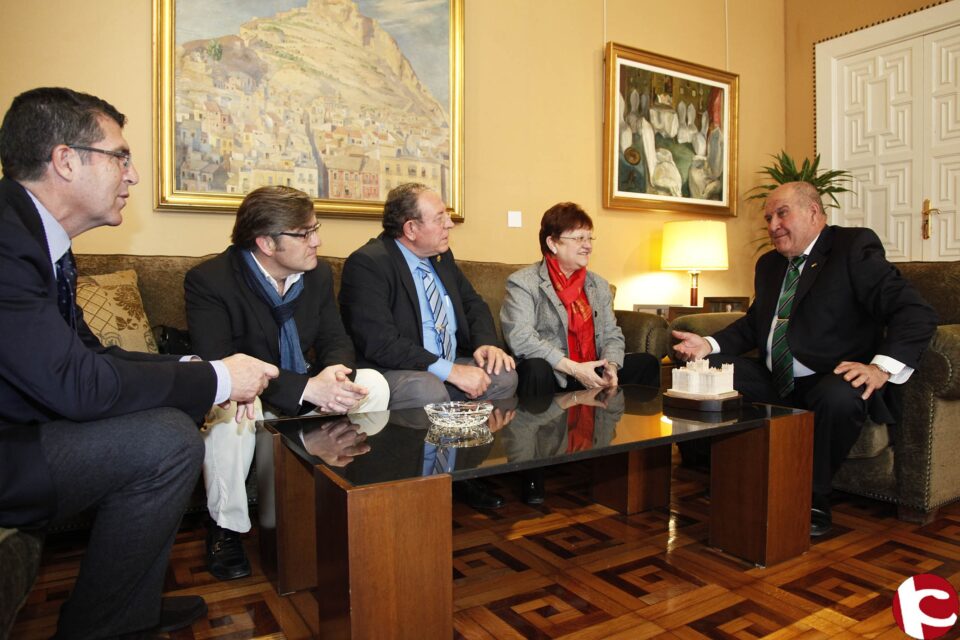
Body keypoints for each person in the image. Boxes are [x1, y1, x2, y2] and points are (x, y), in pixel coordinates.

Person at [0, 87, 278, 638]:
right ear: (66, 160)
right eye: (121, 156)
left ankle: (123, 611)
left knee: (166, 429)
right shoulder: (8, 241)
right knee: (165, 440)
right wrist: (219, 377)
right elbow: (75, 384)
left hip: (21, 429)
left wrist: (197, 366)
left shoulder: (38, 240)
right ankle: (105, 625)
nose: (131, 175)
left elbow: (89, 355)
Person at [672, 181, 938, 536]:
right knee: (703, 371)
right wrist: (707, 345)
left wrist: (879, 368)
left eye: (782, 213)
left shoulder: (851, 248)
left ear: (813, 212)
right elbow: (755, 324)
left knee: (840, 394)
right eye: (768, 217)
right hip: (774, 377)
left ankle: (812, 499)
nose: (772, 225)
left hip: (829, 375)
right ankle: (725, 475)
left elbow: (914, 310)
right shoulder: (769, 264)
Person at [184, 185, 389, 581]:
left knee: (374, 385)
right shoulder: (210, 281)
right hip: (254, 397)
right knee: (230, 406)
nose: (317, 241)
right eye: (304, 233)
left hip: (305, 392)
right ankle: (226, 528)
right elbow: (220, 364)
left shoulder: (317, 274)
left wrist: (336, 374)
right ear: (265, 242)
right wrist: (307, 388)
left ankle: (343, 497)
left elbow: (335, 338)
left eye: (316, 228)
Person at [338, 182, 518, 508]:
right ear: (411, 228)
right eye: (440, 217)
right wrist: (452, 372)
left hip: (445, 365)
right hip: (396, 370)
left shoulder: (440, 256)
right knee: (427, 390)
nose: (449, 224)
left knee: (504, 374)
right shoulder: (369, 264)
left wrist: (486, 345)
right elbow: (380, 343)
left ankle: (460, 473)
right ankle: (419, 484)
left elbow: (473, 304)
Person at [500, 202, 660, 502]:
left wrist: (611, 365)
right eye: (578, 238)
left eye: (590, 238)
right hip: (557, 372)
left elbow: (612, 332)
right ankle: (531, 474)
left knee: (646, 364)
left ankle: (630, 467)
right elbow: (520, 336)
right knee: (534, 367)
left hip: (594, 370)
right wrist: (573, 367)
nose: (587, 246)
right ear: (552, 242)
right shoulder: (525, 283)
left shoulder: (597, 284)